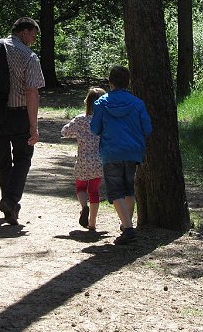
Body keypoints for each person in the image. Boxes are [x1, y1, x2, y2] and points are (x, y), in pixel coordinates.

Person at [0, 17, 45, 225]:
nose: (34, 40)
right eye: (33, 35)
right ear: (25, 32)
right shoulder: (28, 56)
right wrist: (33, 126)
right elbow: (32, 93)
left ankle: (9, 207)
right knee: (23, 158)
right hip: (18, 114)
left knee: (3, 161)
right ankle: (10, 201)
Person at [90, 65, 152, 245]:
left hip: (111, 151)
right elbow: (147, 129)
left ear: (110, 83)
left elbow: (95, 128)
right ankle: (127, 225)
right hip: (133, 151)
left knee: (115, 190)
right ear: (128, 82)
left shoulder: (101, 103)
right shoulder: (137, 103)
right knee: (128, 188)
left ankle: (128, 228)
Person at [61, 87, 106, 231]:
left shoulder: (80, 119)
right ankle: (92, 223)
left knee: (80, 187)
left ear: (87, 102)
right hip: (99, 161)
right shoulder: (105, 121)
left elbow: (64, 132)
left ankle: (84, 206)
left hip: (82, 160)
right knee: (94, 191)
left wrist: (77, 133)